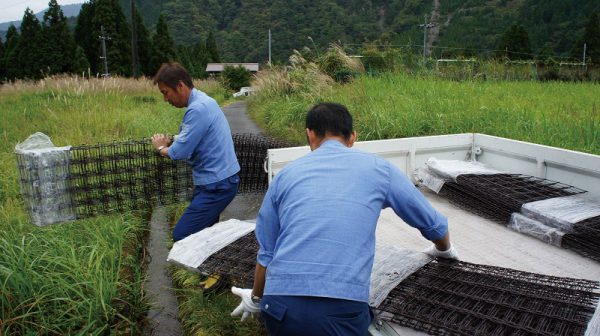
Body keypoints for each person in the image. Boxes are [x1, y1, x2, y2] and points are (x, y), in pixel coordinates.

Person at [230, 102, 459, 335]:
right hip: (340, 308)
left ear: (310, 135)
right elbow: (433, 223)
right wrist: (444, 250)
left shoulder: (285, 176)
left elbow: (267, 253)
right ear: (352, 138)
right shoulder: (380, 170)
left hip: (280, 305)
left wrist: (256, 298)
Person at [151, 62, 240, 243]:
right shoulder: (204, 100)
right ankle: (211, 267)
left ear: (180, 86)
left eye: (165, 92)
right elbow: (191, 137)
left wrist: (161, 148)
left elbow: (178, 152)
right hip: (217, 181)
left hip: (217, 185)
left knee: (182, 235)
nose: (165, 99)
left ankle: (227, 250)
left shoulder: (198, 109)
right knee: (206, 233)